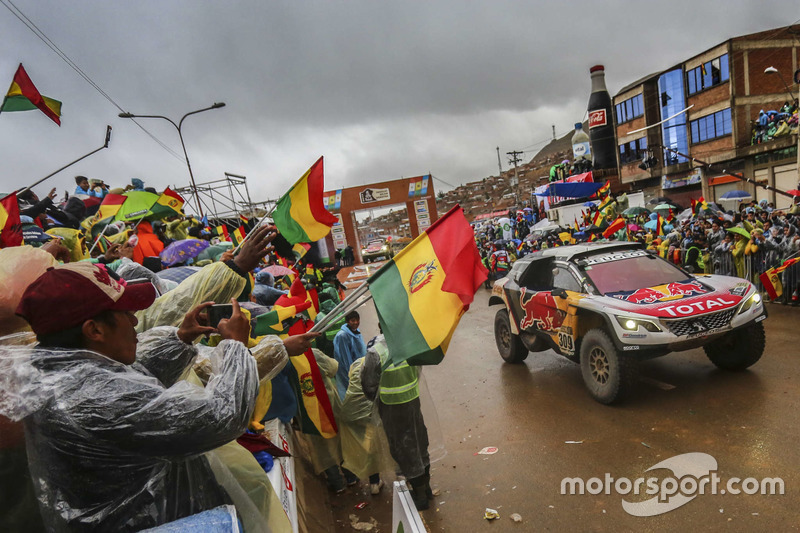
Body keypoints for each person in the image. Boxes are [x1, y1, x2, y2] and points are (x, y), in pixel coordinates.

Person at [362, 335, 432, 510]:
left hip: (391, 407)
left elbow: (368, 384)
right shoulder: (410, 344)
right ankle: (426, 488)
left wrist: (379, 399)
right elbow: (418, 371)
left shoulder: (375, 352)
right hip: (412, 401)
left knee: (403, 450)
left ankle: (420, 495)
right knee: (419, 443)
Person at [333, 310, 366, 400]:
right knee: (349, 391)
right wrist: (351, 373)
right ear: (348, 321)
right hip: (349, 369)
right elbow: (345, 357)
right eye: (353, 320)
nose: (356, 323)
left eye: (357, 320)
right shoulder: (343, 336)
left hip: (358, 366)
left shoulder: (355, 331)